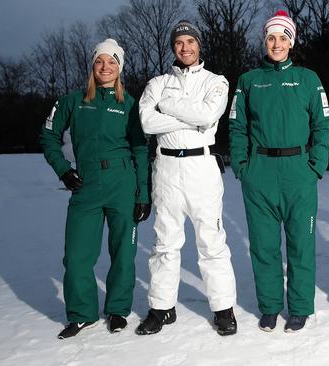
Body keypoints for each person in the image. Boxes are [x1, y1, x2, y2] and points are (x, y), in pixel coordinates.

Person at [40, 38, 151, 339]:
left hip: (122, 184)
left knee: (123, 253)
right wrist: (64, 171)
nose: (105, 66)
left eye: (112, 62)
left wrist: (143, 193)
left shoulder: (129, 104)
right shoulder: (73, 101)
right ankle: (81, 313)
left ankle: (117, 310)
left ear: (120, 68)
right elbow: (48, 137)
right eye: (100, 61)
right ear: (93, 65)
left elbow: (141, 150)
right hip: (85, 185)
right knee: (76, 255)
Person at [229, 10, 329, 333]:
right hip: (259, 171)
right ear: (265, 41)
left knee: (301, 241)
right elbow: (237, 127)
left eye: (283, 38)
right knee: (263, 244)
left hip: (298, 171)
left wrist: (316, 164)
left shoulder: (308, 79)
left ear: (291, 42)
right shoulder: (249, 81)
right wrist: (241, 166)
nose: (277, 43)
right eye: (271, 37)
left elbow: (323, 124)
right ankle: (270, 306)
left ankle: (299, 307)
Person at [136, 20, 237, 336]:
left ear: (199, 45)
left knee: (211, 241)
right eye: (179, 42)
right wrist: (188, 120)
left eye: (190, 42)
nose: (185, 48)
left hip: (201, 168)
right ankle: (162, 308)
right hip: (166, 168)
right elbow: (147, 122)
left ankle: (223, 309)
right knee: (165, 242)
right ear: (173, 47)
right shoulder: (157, 83)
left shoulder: (215, 81)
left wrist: (168, 108)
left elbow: (208, 117)